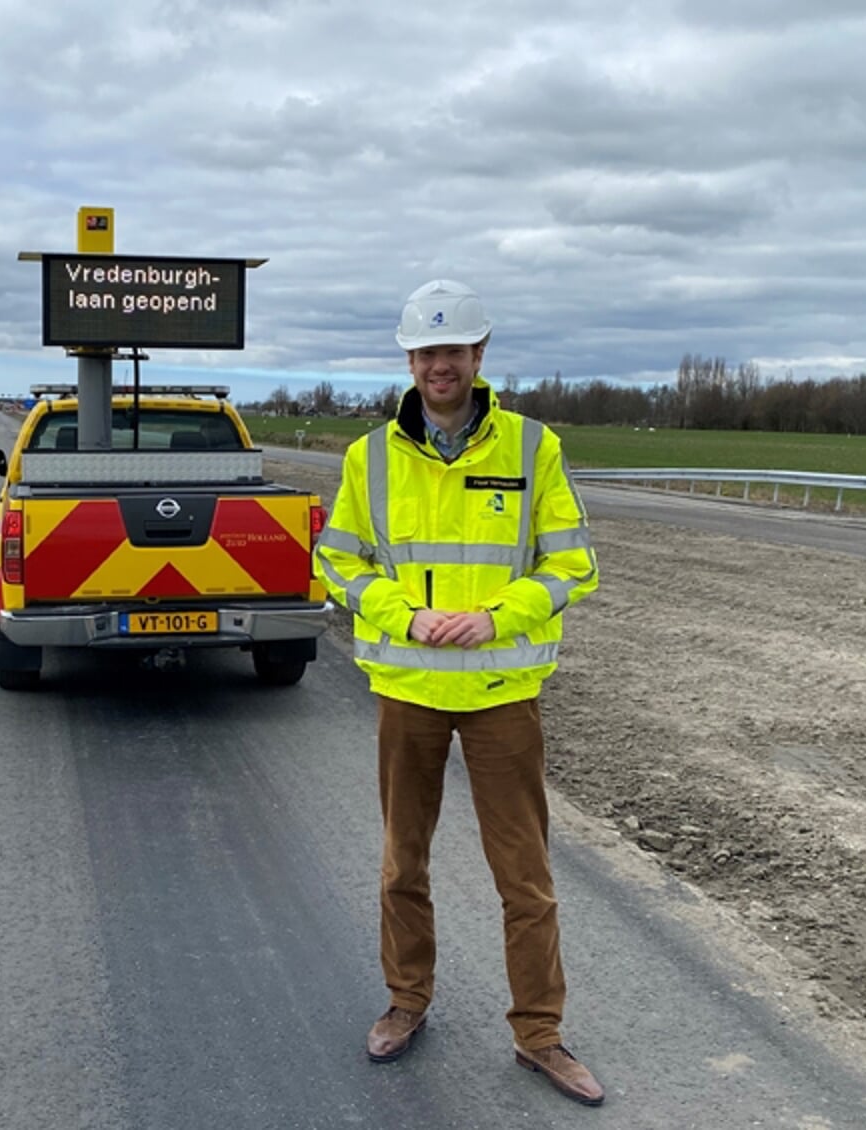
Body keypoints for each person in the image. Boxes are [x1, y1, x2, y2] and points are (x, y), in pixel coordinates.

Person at [313, 280, 604, 1106]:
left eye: (454, 350)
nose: (440, 364)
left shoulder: (531, 448)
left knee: (525, 875)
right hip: (408, 691)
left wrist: (492, 617)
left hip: (503, 691)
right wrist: (404, 614)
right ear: (410, 360)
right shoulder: (368, 457)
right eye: (427, 352)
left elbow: (573, 561)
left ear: (479, 356)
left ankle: (539, 1035)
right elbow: (338, 560)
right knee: (404, 863)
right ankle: (407, 1004)